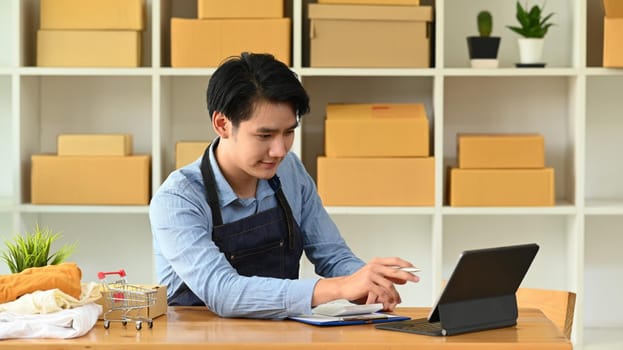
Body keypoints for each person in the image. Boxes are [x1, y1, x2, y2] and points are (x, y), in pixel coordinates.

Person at [149, 52, 419, 319]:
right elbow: (224, 293)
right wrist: (340, 287)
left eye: (288, 132)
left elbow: (333, 256)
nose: (279, 150)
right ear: (223, 124)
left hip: (280, 336)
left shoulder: (290, 171)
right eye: (264, 135)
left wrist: (369, 282)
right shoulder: (178, 199)